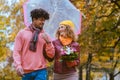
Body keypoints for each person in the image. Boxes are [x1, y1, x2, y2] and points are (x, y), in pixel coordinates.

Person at [13, 8, 55, 80]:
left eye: (44, 20)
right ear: (34, 19)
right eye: (41, 20)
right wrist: (18, 66)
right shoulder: (22, 33)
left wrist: (48, 42)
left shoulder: (45, 36)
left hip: (41, 70)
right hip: (25, 71)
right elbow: (16, 51)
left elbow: (51, 55)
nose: (43, 22)